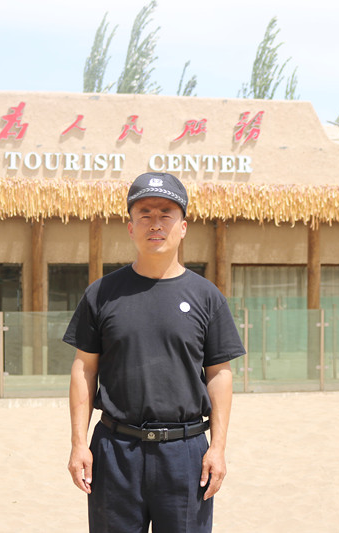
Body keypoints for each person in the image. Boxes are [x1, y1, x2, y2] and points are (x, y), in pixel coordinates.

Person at [65, 172, 246, 532]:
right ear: (130, 227)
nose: (156, 224)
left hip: (185, 453)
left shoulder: (207, 297)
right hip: (115, 450)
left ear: (183, 227)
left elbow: (219, 374)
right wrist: (78, 444)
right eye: (145, 214)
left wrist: (218, 448)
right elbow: (84, 369)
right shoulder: (101, 294)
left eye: (166, 214)